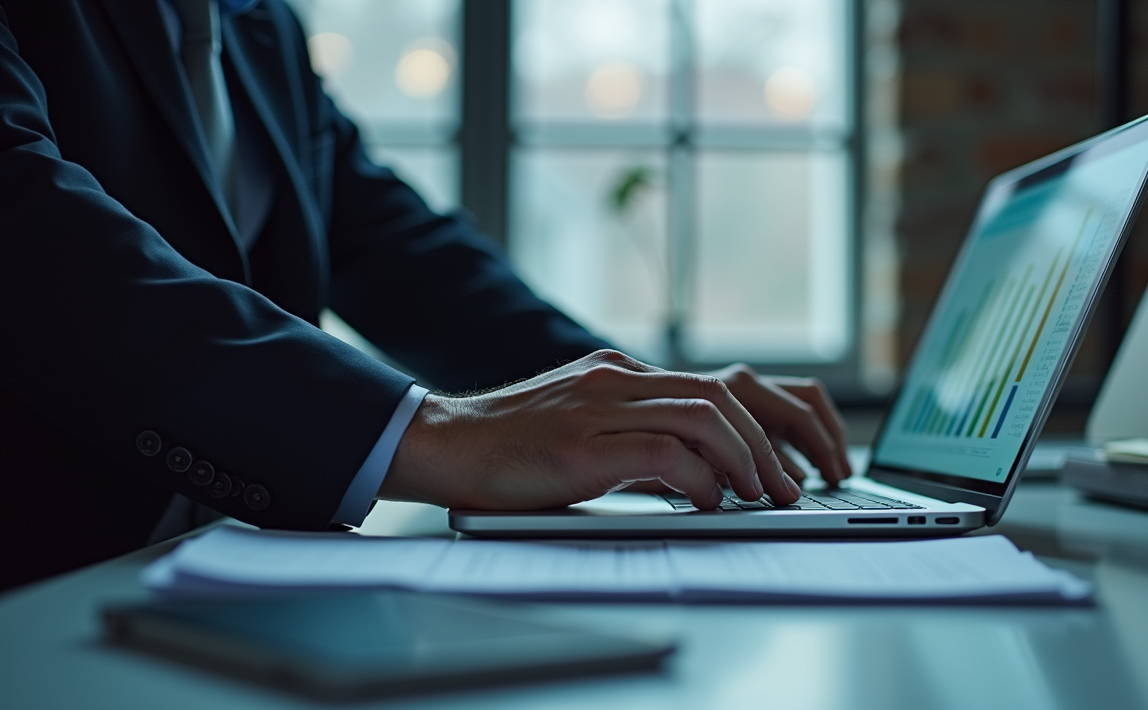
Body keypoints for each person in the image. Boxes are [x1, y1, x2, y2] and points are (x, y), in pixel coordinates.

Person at [0, 0, 851, 590]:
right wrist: (430, 435)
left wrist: (658, 410)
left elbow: (396, 249)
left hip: (194, 596)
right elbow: (32, 240)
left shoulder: (253, 26)